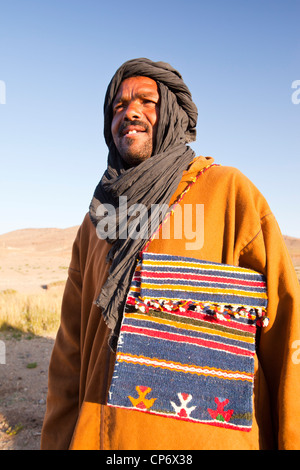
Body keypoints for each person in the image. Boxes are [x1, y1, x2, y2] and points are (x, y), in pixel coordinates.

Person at [41, 58, 300, 450]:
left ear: (174, 115)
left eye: (147, 101)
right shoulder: (97, 222)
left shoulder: (228, 194)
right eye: (118, 106)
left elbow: (285, 332)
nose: (129, 112)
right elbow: (69, 355)